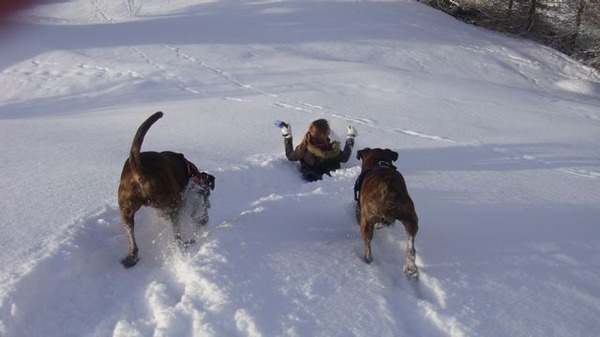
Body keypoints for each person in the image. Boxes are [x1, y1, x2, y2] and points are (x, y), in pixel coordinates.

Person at [278, 119, 357, 181]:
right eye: (328, 129)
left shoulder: (304, 147)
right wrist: (351, 137)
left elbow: (290, 156)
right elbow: (345, 158)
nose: (330, 130)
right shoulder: (331, 149)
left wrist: (287, 136)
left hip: (310, 176)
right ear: (325, 134)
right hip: (330, 177)